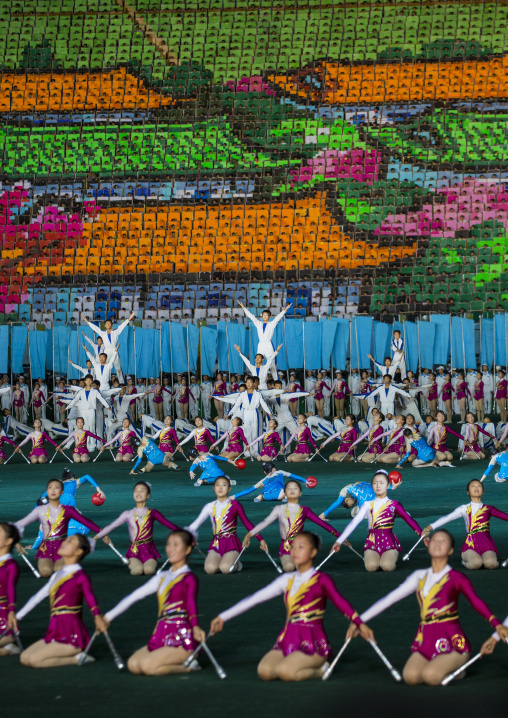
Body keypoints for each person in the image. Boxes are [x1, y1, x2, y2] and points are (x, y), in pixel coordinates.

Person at [209, 531, 374, 681]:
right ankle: (296, 662)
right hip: (287, 639)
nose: (294, 551)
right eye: (293, 547)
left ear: (313, 552)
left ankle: (322, 669)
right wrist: (223, 617)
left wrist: (359, 622)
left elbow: (340, 602)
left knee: (285, 672)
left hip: (313, 642)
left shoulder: (322, 579)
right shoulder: (286, 580)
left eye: (301, 547)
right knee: (265, 671)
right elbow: (255, 599)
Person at [356, 529, 508, 686]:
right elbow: (389, 599)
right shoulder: (419, 576)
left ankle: (458, 668)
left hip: (453, 640)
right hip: (426, 638)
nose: (437, 543)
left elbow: (476, 602)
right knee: (411, 677)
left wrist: (496, 624)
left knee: (430, 676)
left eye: (443, 541)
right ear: (428, 546)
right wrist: (359, 621)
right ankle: (439, 664)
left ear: (450, 550)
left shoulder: (457, 578)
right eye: (434, 540)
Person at [101, 530, 206, 675]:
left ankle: (189, 665)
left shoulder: (189, 578)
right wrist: (107, 617)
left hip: (182, 637)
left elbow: (191, 604)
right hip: (161, 632)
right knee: (133, 664)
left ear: (188, 549)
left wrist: (195, 627)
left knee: (148, 667)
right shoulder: (162, 577)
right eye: (168, 544)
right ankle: (174, 660)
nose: (170, 548)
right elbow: (135, 596)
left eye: (176, 545)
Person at [17, 534, 108, 667]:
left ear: (78, 552)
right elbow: (37, 597)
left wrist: (97, 616)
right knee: (24, 657)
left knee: (34, 660)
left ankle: (78, 658)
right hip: (54, 630)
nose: (64, 542)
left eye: (70, 541)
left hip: (72, 634)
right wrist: (18, 617)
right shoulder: (56, 575)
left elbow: (90, 597)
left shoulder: (80, 576)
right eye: (66, 539)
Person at [331, 471, 423, 572]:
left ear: (388, 485)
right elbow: (353, 523)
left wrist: (422, 534)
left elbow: (409, 519)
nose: (378, 486)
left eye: (382, 483)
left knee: (387, 566)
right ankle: (376, 557)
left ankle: (389, 557)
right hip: (372, 542)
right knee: (371, 567)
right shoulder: (366, 505)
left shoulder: (394, 504)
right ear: (372, 485)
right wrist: (339, 541)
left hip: (389, 541)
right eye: (375, 483)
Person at [243, 480, 340, 572]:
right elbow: (264, 523)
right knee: (289, 567)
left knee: (300, 567)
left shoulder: (305, 510)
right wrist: (249, 535)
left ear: (300, 493)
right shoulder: (279, 509)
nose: (292, 490)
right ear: (285, 493)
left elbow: (322, 523)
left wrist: (340, 537)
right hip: (286, 548)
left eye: (295, 488)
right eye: (289, 488)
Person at [15, 479, 101, 578]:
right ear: (47, 491)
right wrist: (16, 541)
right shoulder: (40, 511)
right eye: (50, 488)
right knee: (46, 572)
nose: (53, 490)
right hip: (46, 549)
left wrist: (101, 532)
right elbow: (20, 524)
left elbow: (85, 521)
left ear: (62, 492)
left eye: (56, 488)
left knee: (59, 571)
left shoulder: (68, 509)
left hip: (63, 546)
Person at [95, 482, 181, 576]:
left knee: (148, 570)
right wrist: (95, 537)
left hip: (149, 550)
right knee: (137, 571)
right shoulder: (128, 514)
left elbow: (169, 524)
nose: (138, 493)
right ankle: (135, 563)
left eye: (142, 491)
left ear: (148, 495)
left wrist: (187, 535)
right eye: (136, 491)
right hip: (134, 551)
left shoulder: (152, 513)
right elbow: (112, 526)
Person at [187, 476, 266, 574]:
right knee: (210, 569)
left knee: (225, 568)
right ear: (213, 488)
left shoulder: (235, 505)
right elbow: (195, 525)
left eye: (224, 485)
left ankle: (237, 564)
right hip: (216, 543)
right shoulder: (210, 506)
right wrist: (187, 536)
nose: (220, 488)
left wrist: (260, 539)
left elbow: (247, 523)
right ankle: (223, 560)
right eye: (217, 485)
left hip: (231, 542)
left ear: (229, 489)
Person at [423, 480, 508, 570]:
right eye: (473, 486)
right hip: (470, 544)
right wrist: (430, 527)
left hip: (486, 544)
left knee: (491, 564)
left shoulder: (489, 508)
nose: (476, 488)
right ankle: (465, 561)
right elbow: (447, 518)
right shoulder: (464, 508)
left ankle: (484, 559)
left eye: (479, 486)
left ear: (483, 491)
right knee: (476, 564)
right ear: (468, 492)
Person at [82, 311, 136, 383]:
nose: (108, 324)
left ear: (111, 325)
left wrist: (129, 319)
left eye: (109, 323)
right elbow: (95, 328)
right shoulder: (102, 333)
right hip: (106, 351)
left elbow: (122, 326)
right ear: (104, 325)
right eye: (106, 323)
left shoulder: (115, 332)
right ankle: (103, 382)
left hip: (114, 350)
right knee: (105, 367)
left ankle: (122, 383)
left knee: (118, 368)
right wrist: (87, 322)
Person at [226, 377, 274, 454]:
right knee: (247, 433)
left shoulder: (258, 394)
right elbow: (236, 405)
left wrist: (269, 412)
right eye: (247, 382)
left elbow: (263, 404)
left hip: (255, 413)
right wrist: (229, 414)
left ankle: (256, 452)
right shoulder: (242, 394)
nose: (248, 384)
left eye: (250, 382)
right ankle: (247, 452)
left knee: (255, 433)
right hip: (246, 414)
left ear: (253, 383)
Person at [319, 475, 399, 520]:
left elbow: (337, 502)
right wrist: (391, 487)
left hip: (367, 496)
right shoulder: (355, 488)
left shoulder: (345, 491)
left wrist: (324, 514)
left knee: (357, 513)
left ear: (346, 500)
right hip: (373, 493)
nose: (352, 504)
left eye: (350, 505)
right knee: (354, 512)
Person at [63, 375, 110, 450]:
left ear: (92, 381)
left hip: (91, 410)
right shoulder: (81, 391)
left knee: (92, 427)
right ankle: (86, 445)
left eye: (90, 380)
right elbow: (75, 400)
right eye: (87, 380)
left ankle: (92, 445)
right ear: (85, 381)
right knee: (84, 428)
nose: (88, 382)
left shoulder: (95, 391)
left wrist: (107, 406)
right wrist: (67, 408)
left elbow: (101, 399)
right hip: (83, 411)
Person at [232, 462, 309, 503]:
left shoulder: (262, 480)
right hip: (280, 494)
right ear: (274, 469)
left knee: (263, 493)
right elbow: (293, 476)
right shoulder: (280, 472)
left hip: (267, 496)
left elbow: (250, 490)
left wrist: (234, 496)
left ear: (265, 472)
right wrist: (305, 481)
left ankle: (260, 497)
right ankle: (286, 497)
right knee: (290, 486)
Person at [0, 522, 20, 656]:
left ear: (8, 541)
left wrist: (12, 611)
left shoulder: (10, 565)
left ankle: (8, 644)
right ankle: (7, 648)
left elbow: (10, 589)